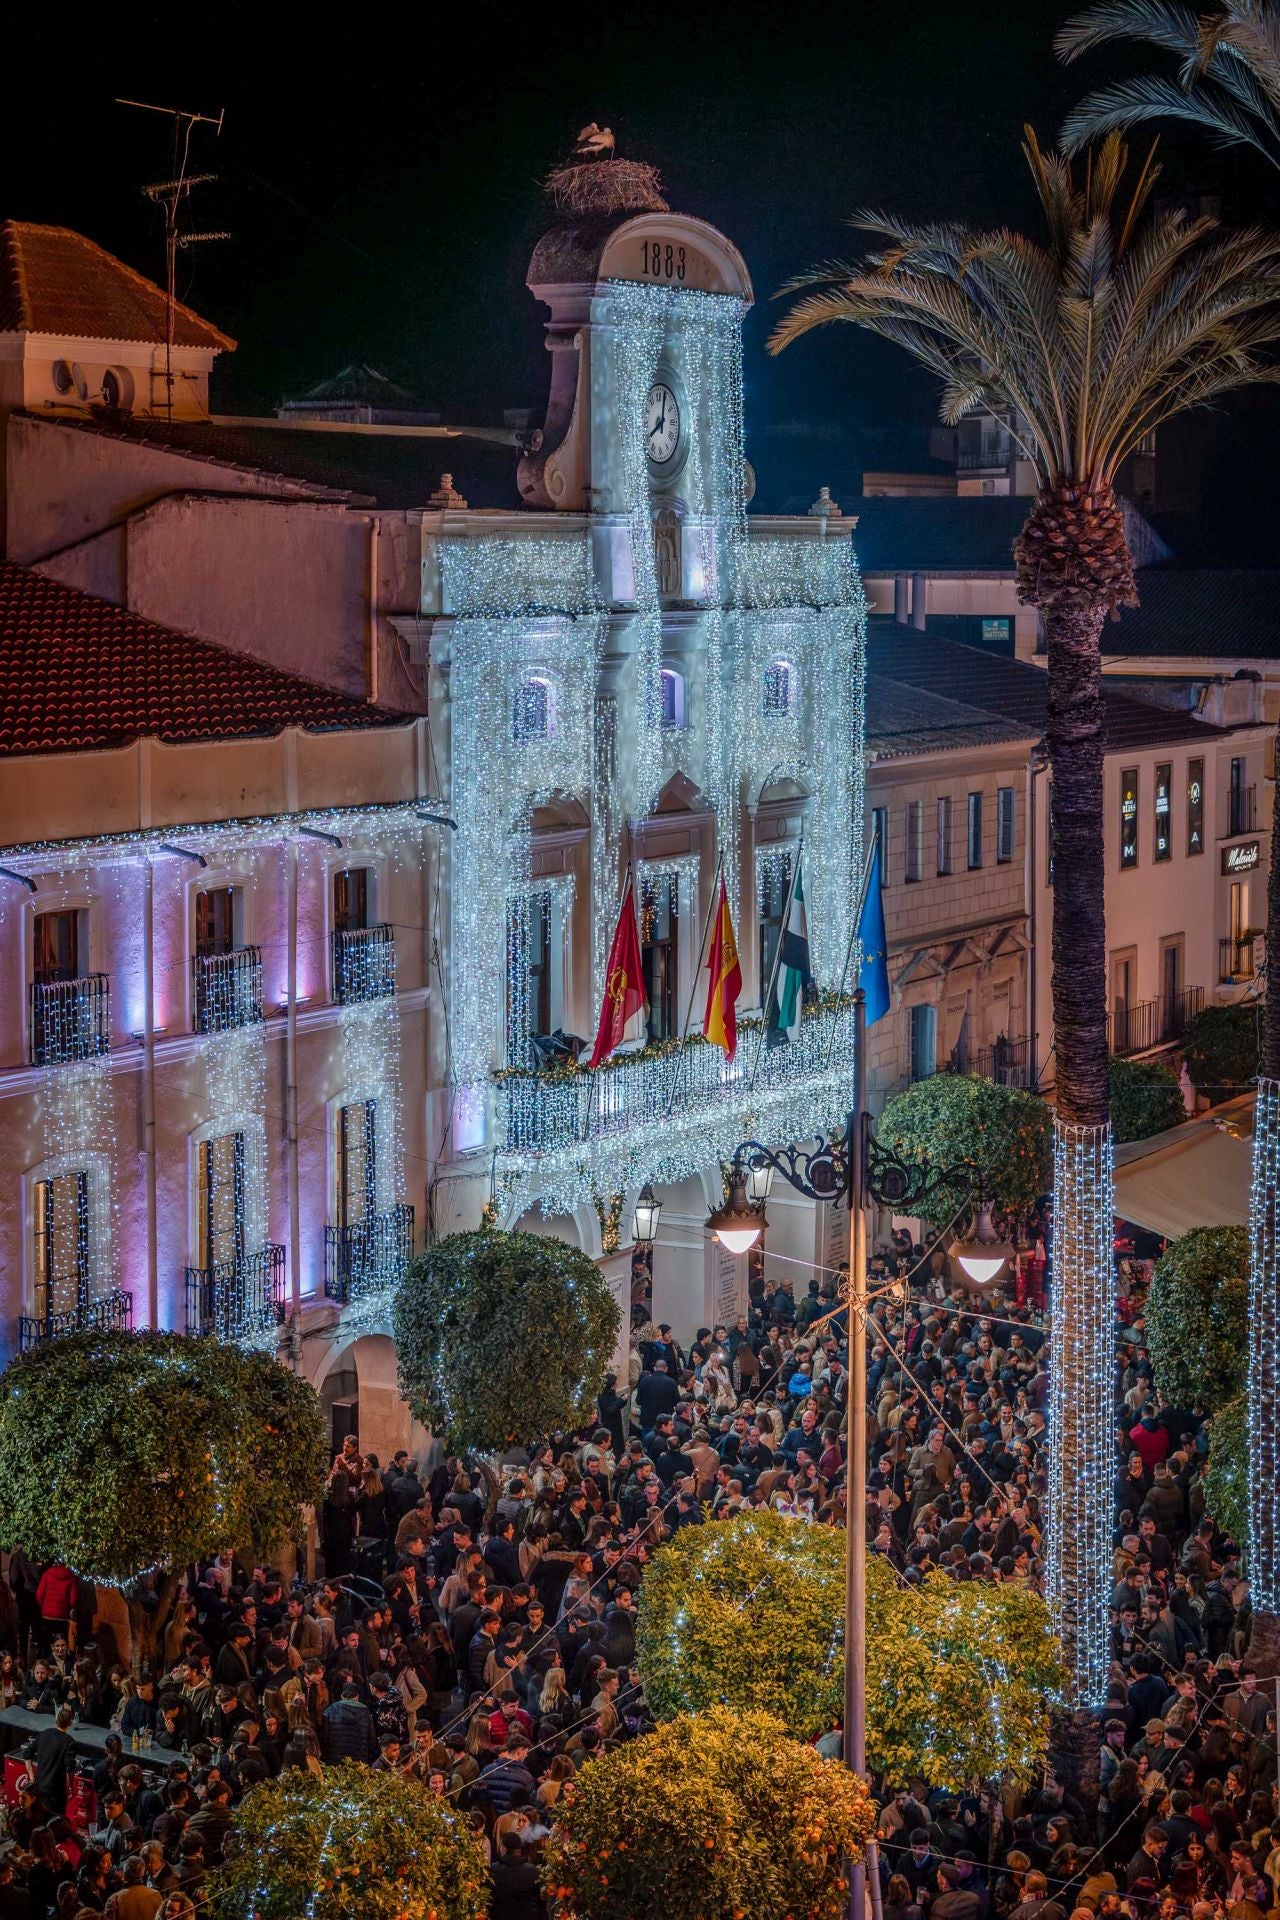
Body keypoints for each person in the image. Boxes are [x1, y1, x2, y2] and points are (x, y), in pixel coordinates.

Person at [33, 1703, 74, 1815]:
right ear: (70, 1723)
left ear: (56, 1720)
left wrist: (32, 1777)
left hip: (39, 1787)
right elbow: (69, 1768)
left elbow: (27, 1754)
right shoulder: (69, 1741)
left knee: (40, 1818)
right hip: (56, 1792)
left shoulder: (43, 1734)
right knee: (56, 1822)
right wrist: (70, 1786)